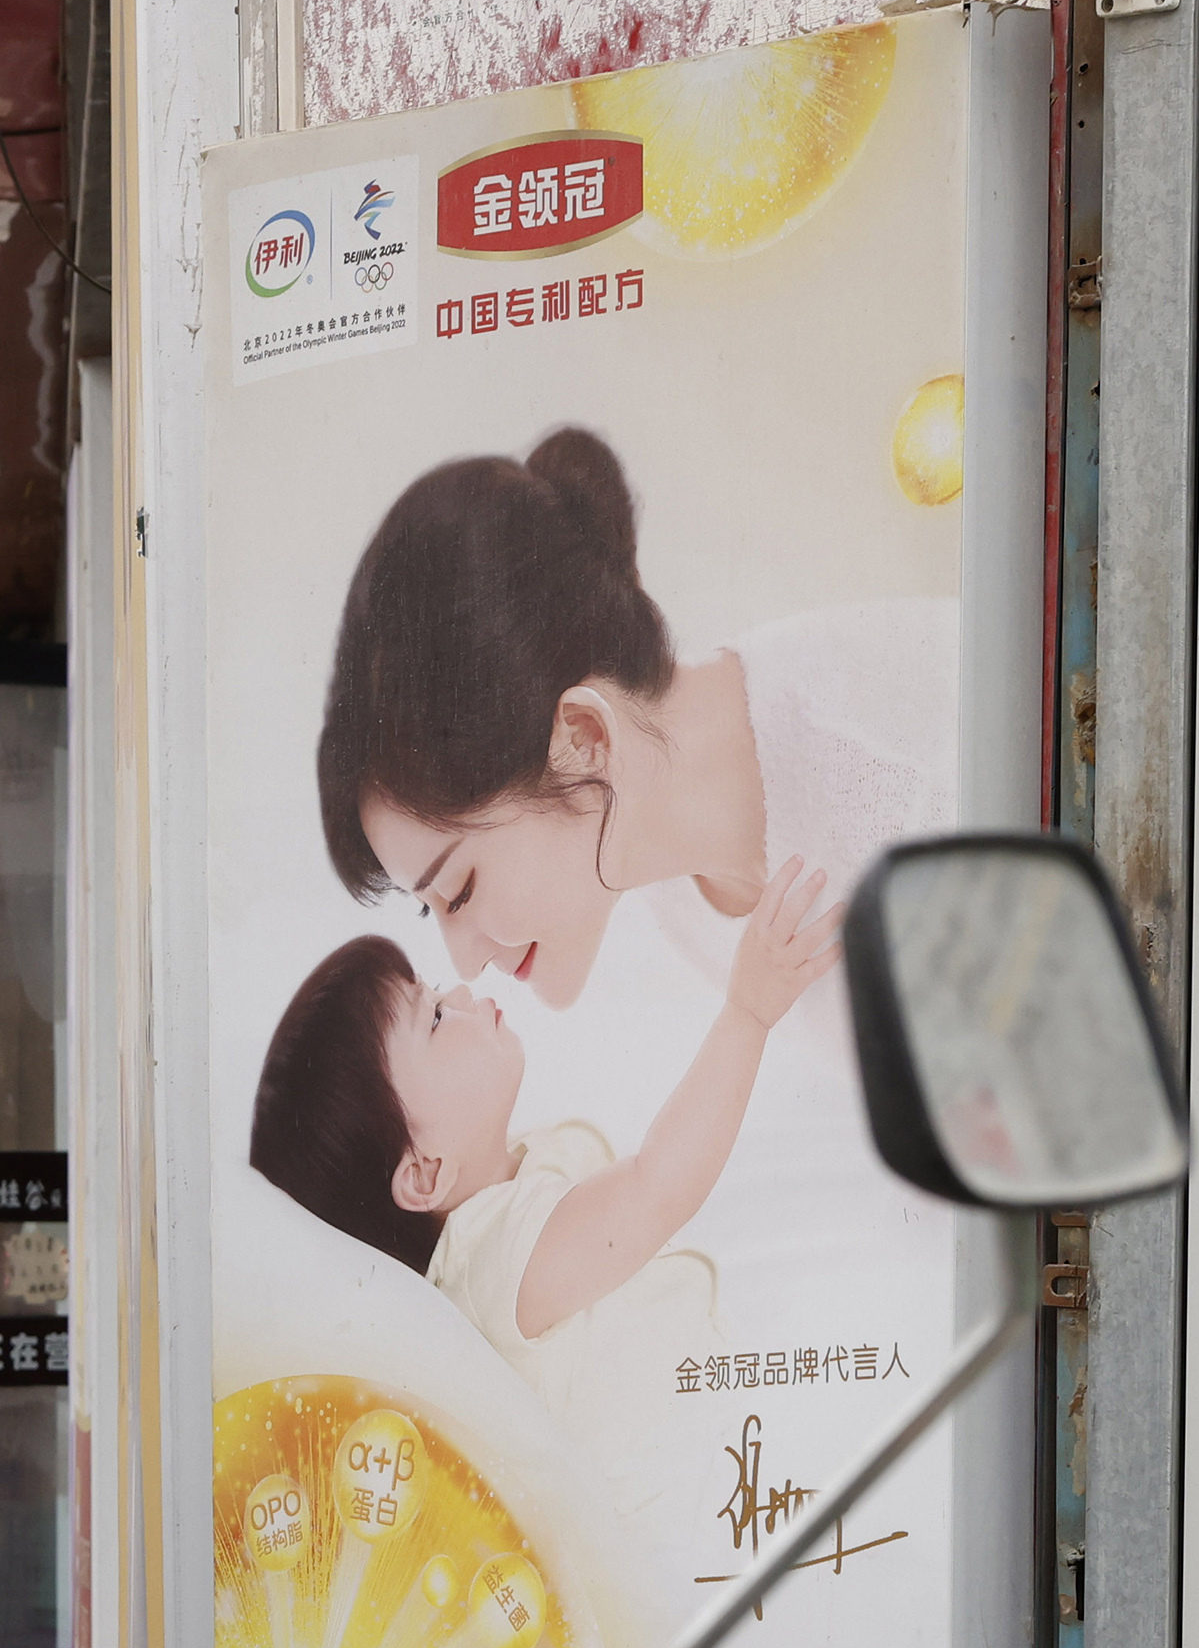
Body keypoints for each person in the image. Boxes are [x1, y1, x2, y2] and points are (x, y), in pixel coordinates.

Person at [316, 423, 943, 1027]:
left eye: (459, 892)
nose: (467, 965)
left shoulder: (907, 768)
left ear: (585, 735)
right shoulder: (668, 882)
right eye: (434, 912)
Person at [243, 878, 839, 1372]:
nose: (460, 989)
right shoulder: (498, 1269)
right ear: (425, 1173)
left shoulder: (507, 1193)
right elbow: (658, 1186)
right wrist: (749, 1012)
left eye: (434, 991)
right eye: (435, 1018)